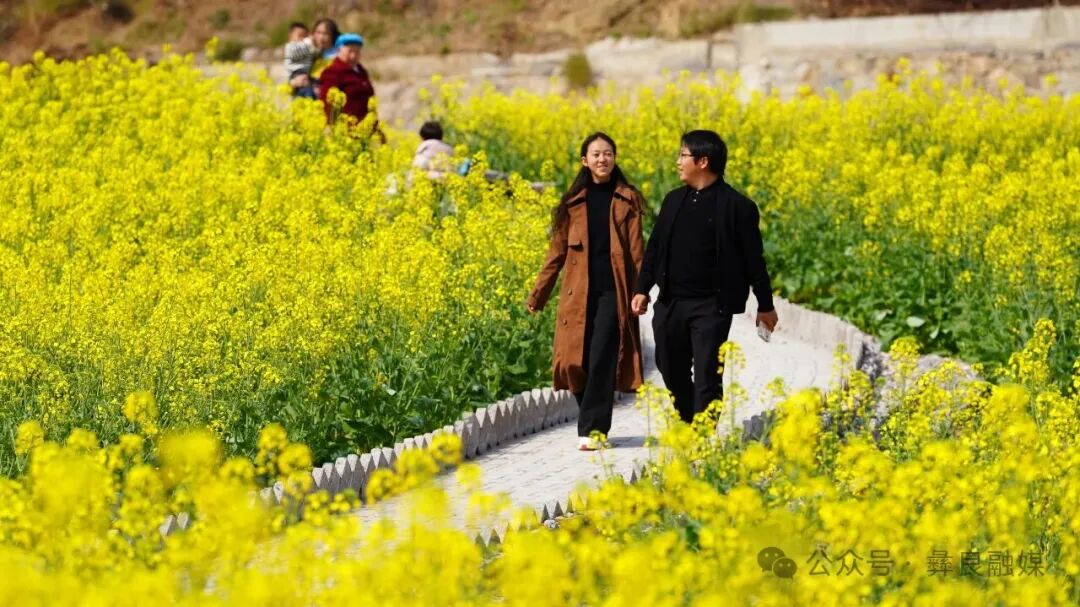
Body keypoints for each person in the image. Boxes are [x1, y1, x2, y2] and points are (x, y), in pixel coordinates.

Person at [631, 130, 779, 426]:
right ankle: (690, 420)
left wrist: (765, 305)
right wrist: (642, 288)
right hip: (671, 302)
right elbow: (655, 248)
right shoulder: (673, 200)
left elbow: (754, 261)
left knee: (708, 373)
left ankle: (703, 435)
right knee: (668, 366)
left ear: (703, 161)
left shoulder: (739, 207)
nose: (678, 162)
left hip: (712, 305)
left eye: (683, 155)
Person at [526, 133, 646, 451]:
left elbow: (637, 252)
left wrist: (641, 290)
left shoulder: (628, 199)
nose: (602, 159)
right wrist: (539, 294)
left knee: (602, 359)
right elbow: (555, 255)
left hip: (613, 292)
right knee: (572, 363)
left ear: (614, 159)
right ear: (585, 161)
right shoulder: (572, 204)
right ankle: (592, 419)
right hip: (577, 293)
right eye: (596, 154)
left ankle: (593, 430)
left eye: (608, 153)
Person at [317, 33, 385, 141]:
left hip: (365, 129)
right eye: (350, 51)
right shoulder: (333, 71)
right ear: (339, 50)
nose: (353, 56)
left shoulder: (361, 71)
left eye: (357, 52)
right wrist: (332, 128)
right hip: (346, 131)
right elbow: (326, 102)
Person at [288, 18, 339, 98]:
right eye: (318, 32)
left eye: (326, 33)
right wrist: (294, 82)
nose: (321, 37)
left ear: (333, 35)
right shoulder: (310, 51)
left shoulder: (338, 55)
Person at [283, 22, 318, 99]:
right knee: (306, 94)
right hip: (296, 73)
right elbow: (296, 52)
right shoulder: (290, 46)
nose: (303, 39)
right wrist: (308, 42)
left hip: (305, 74)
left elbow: (313, 54)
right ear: (290, 36)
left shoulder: (305, 47)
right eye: (300, 35)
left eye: (305, 36)